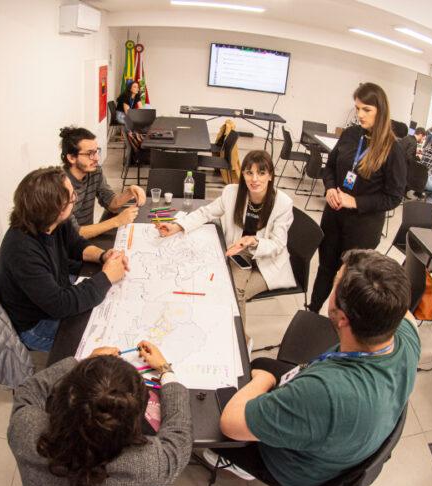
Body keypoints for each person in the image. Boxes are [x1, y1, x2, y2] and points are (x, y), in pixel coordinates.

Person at [204, 250, 419, 486]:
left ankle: (241, 464)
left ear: (343, 319)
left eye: (334, 283)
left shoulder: (326, 393)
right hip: (338, 428)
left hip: (291, 467)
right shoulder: (405, 332)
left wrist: (263, 381)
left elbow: (230, 424)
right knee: (260, 364)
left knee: (213, 413)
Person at [8, 341, 191, 486]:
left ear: (61, 399)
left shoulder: (24, 432)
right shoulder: (149, 464)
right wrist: (165, 370)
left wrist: (82, 362)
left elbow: (28, 391)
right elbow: (179, 436)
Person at [0, 167, 129, 351]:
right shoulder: (22, 250)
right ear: (56, 209)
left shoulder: (54, 221)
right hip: (37, 324)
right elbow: (60, 305)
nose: (75, 198)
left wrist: (102, 255)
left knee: (110, 308)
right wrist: (106, 276)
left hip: (57, 293)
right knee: (109, 342)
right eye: (72, 197)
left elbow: (76, 245)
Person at [155, 150, 294, 325]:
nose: (255, 179)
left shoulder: (283, 203)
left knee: (234, 294)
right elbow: (206, 212)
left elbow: (278, 244)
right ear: (242, 174)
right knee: (212, 284)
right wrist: (177, 226)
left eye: (261, 173)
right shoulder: (232, 192)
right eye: (249, 172)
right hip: (239, 254)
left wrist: (254, 241)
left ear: (270, 176)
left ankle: (242, 343)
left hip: (266, 262)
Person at [308, 82, 406, 313]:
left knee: (350, 280)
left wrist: (357, 202)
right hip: (333, 215)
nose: (360, 114)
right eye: (357, 108)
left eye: (366, 110)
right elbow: (330, 167)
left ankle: (341, 322)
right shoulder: (351, 134)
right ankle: (312, 310)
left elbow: (393, 197)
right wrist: (330, 188)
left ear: (381, 111)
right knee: (326, 267)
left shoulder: (393, 150)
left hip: (363, 226)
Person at [60, 126, 145, 239]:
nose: (96, 158)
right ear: (71, 158)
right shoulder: (60, 185)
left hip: (87, 239)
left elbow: (111, 204)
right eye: (90, 153)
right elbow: (74, 234)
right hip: (68, 246)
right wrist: (117, 221)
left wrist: (129, 192)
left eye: (96, 152)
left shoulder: (94, 171)